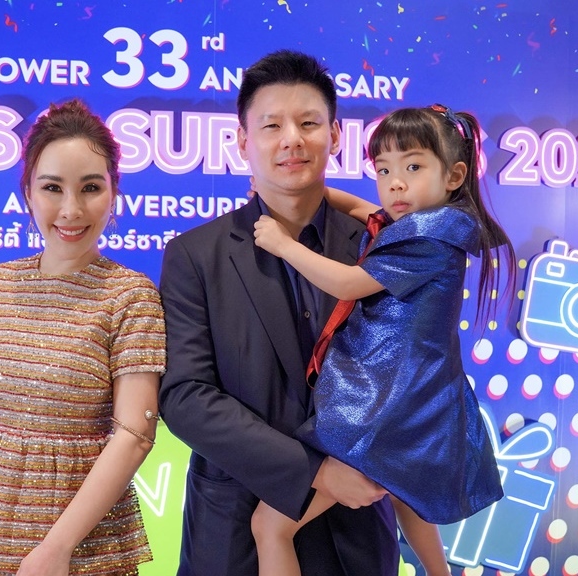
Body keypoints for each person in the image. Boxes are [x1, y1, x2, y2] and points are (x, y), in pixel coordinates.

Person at [157, 49, 401, 576]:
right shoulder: (195, 255)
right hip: (235, 530)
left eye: (308, 123)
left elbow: (411, 372)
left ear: (335, 136)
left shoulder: (381, 250)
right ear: (243, 141)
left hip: (356, 528)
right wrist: (315, 472)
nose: (292, 139)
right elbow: (185, 397)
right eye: (271, 125)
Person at [250, 104, 515, 576]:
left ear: (454, 176)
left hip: (380, 410)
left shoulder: (428, 238)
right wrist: (302, 188)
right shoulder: (431, 225)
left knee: (270, 526)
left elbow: (348, 284)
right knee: (408, 498)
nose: (395, 183)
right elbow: (364, 211)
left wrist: (283, 243)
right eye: (384, 170)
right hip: (409, 400)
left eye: (413, 168)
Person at [0, 99, 166, 576]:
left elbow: (134, 435)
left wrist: (57, 549)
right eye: (52, 188)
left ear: (114, 192)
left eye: (91, 188)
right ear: (28, 192)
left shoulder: (131, 296)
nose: (71, 210)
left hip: (81, 546)